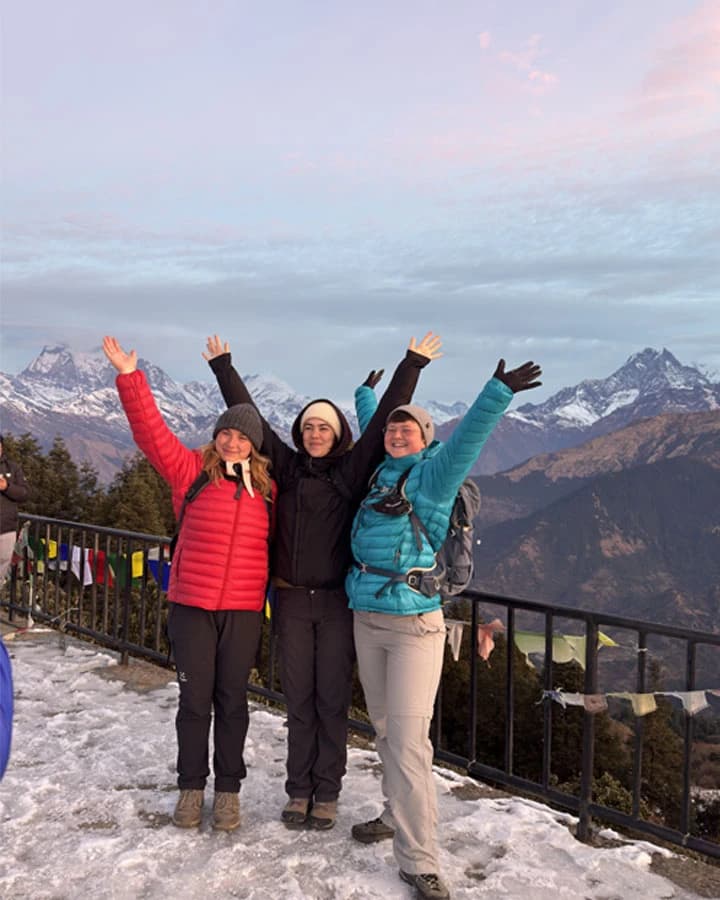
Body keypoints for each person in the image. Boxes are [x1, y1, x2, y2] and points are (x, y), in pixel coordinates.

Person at [204, 332, 442, 830]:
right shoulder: (286, 469)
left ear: (337, 435)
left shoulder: (351, 473)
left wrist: (411, 365)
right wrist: (224, 367)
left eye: (324, 427)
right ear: (299, 431)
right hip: (290, 601)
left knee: (331, 700)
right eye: (309, 426)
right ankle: (299, 790)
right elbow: (249, 418)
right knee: (299, 700)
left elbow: (383, 422)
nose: (315, 433)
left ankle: (327, 792)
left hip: (337, 604)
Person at [346, 357, 542, 900]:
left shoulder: (433, 478)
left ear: (426, 438)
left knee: (408, 740)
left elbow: (467, 442)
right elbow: (378, 426)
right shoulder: (377, 475)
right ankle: (394, 813)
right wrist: (368, 396)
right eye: (392, 428)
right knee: (385, 730)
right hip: (366, 619)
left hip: (414, 627)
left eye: (409, 429)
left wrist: (497, 392)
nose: (396, 433)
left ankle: (420, 859)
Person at [102, 336, 276, 832]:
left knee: (233, 702)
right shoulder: (190, 473)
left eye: (242, 437)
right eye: (226, 434)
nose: (232, 442)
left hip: (242, 612)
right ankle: (190, 788)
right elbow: (151, 434)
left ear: (255, 444)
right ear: (216, 436)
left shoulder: (268, 488)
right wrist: (131, 379)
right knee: (193, 701)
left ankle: (228, 793)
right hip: (192, 608)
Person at [0, 435, 29, 588]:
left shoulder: (13, 468)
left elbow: (24, 494)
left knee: (2, 570)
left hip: (6, 529)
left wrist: (6, 487)